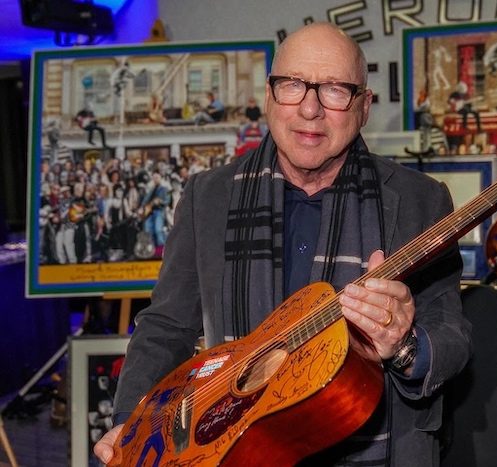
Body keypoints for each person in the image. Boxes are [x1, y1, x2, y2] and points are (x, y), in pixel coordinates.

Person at [94, 23, 471, 466]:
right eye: (292, 85)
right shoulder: (208, 196)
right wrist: (130, 420)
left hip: (376, 449)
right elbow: (167, 326)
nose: (309, 110)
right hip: (239, 449)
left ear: (364, 106)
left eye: (334, 89)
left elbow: (453, 338)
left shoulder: (419, 200)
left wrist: (403, 343)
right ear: (270, 97)